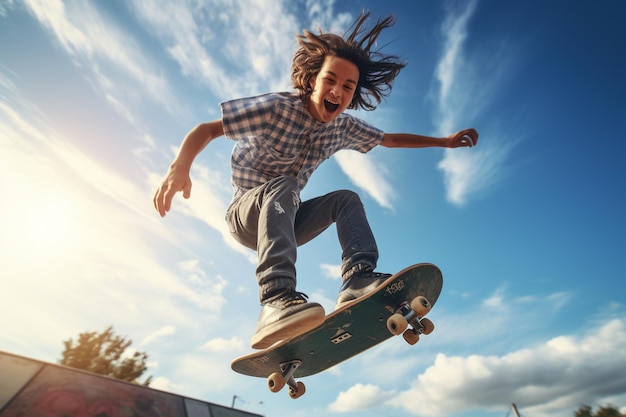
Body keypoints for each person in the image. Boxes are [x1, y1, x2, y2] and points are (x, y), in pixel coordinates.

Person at [153, 13, 478, 349]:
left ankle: (357, 278)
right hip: (245, 214)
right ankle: (275, 299)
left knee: (345, 199)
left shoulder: (344, 128)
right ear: (312, 80)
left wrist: (445, 141)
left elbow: (390, 140)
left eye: (347, 87)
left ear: (353, 96)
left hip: (287, 220)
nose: (337, 92)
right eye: (330, 80)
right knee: (285, 184)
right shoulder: (275, 108)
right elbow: (207, 129)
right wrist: (180, 166)